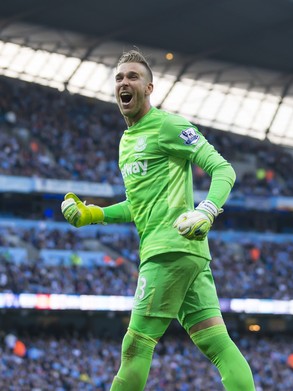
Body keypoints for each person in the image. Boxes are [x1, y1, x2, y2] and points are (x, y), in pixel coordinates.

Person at [61, 49, 256, 391]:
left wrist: (207, 210)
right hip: (188, 257)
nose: (124, 82)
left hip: (168, 252)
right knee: (216, 344)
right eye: (119, 77)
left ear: (149, 88)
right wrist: (92, 214)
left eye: (133, 77)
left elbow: (223, 168)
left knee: (136, 346)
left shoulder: (168, 124)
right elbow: (138, 207)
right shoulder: (126, 141)